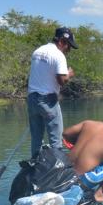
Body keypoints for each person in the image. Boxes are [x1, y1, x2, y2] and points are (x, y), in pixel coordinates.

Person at [27, 27, 77, 157]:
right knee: (56, 140)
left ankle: (35, 165)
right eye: (68, 45)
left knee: (36, 139)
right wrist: (69, 74)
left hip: (32, 99)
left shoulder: (38, 51)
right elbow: (61, 80)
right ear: (61, 41)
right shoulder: (58, 55)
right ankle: (56, 169)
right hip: (48, 100)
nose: (69, 50)